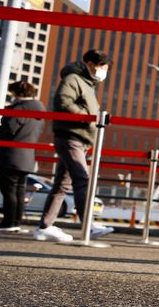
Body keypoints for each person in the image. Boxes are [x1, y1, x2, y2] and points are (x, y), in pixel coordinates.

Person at [34, 49, 114, 242]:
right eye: (101, 66)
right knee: (82, 178)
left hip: (77, 138)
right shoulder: (74, 79)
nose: (103, 70)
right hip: (72, 137)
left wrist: (95, 119)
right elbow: (62, 101)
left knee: (62, 184)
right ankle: (87, 225)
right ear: (89, 63)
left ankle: (45, 226)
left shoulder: (87, 84)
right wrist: (87, 119)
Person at [0, 81, 45, 232]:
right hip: (27, 155)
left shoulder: (19, 109)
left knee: (9, 190)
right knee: (19, 190)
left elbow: (9, 130)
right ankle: (16, 222)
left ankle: (8, 223)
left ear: (17, 93)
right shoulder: (39, 109)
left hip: (12, 154)